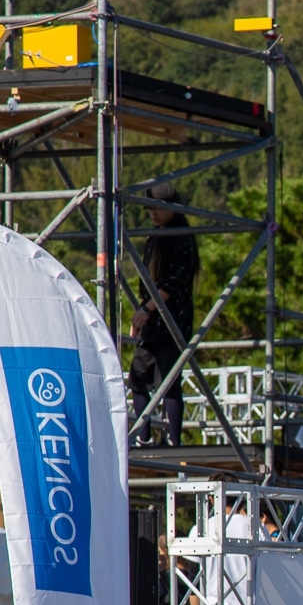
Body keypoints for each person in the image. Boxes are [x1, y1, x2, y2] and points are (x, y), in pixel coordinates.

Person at [128, 182, 198, 446]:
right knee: (138, 377)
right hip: (152, 317)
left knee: (168, 380)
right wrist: (143, 312)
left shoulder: (181, 237)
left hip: (172, 319)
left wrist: (147, 309)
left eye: (158, 208)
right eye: (149, 209)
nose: (153, 214)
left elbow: (174, 282)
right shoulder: (154, 236)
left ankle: (173, 439)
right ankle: (143, 436)